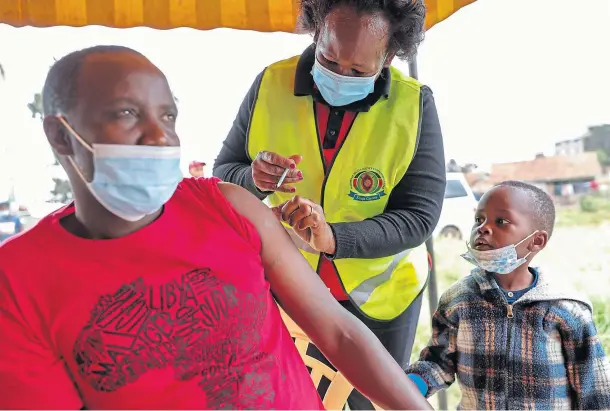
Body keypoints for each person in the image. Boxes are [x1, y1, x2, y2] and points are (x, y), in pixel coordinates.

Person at [0, 45, 432, 410]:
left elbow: (338, 332)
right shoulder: (17, 281)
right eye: (128, 113)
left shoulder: (224, 208)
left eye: (167, 116)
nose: (161, 137)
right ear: (60, 137)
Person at [213, 0, 445, 407]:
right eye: (330, 59)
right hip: (288, 289)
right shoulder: (270, 83)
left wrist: (333, 237)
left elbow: (418, 216)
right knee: (287, 396)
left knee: (364, 402)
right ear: (317, 31)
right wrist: (253, 178)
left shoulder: (413, 105)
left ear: (389, 56)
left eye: (358, 71)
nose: (339, 76)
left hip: (379, 300)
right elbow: (225, 171)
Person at [406, 181, 610, 410]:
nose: (483, 228)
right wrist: (413, 384)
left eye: (501, 221)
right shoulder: (458, 301)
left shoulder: (566, 308)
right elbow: (438, 361)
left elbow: (594, 388)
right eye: (479, 219)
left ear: (536, 241)